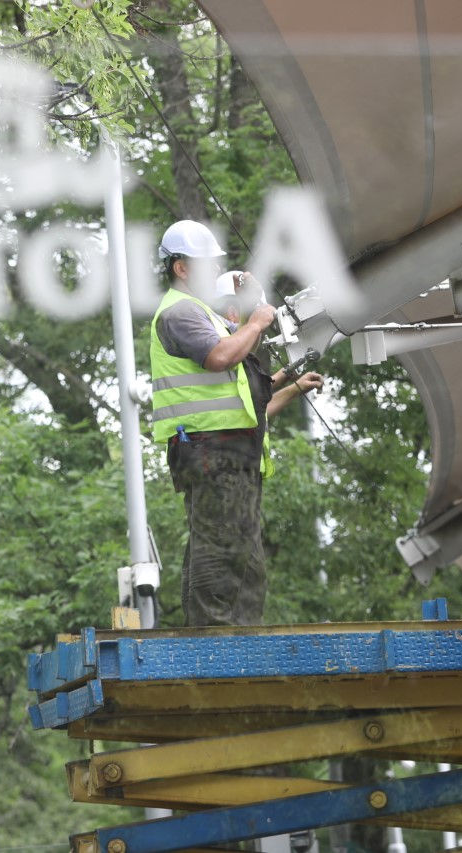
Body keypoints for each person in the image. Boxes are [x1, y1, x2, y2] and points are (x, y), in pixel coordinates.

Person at [149, 220, 323, 627]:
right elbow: (222, 356)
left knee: (242, 560)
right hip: (213, 453)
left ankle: (240, 644)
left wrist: (252, 307)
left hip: (225, 452)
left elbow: (240, 362)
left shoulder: (201, 314)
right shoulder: (180, 312)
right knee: (219, 554)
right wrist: (257, 320)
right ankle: (215, 648)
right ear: (181, 268)